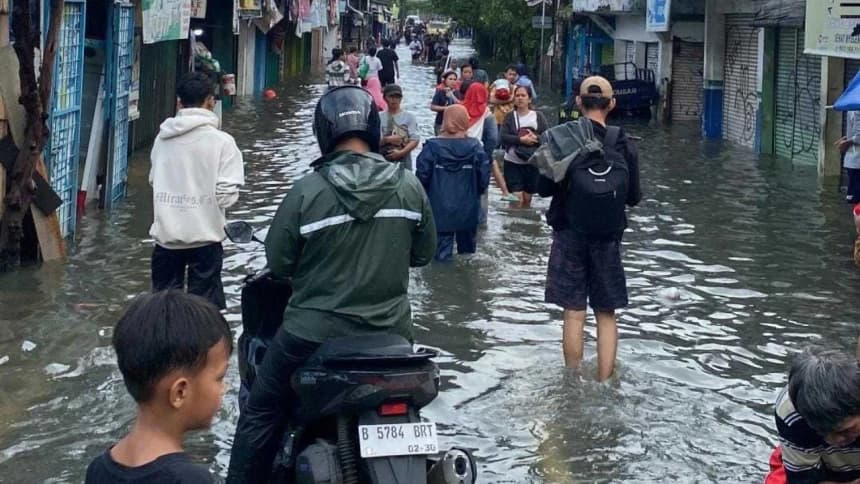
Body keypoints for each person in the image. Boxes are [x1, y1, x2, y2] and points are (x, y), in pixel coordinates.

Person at [226, 86, 436, 483]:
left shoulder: (307, 190)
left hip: (311, 334)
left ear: (323, 132)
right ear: (372, 128)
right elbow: (423, 254)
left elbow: (279, 263)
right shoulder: (409, 187)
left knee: (261, 409)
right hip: (393, 336)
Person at [537, 76, 641, 381]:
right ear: (612, 104)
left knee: (573, 311)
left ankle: (573, 381)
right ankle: (605, 381)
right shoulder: (625, 143)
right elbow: (633, 197)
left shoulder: (562, 138)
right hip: (608, 237)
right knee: (606, 313)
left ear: (578, 102)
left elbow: (543, 188)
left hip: (569, 233)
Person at [85, 291, 232, 484]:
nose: (225, 388)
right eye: (219, 378)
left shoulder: (98, 468)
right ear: (179, 393)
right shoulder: (190, 479)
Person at [149, 71, 245, 310]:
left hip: (166, 242)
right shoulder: (223, 142)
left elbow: (153, 180)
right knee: (203, 313)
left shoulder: (162, 139)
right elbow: (227, 196)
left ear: (179, 103)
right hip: (205, 242)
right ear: (210, 101)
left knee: (163, 311)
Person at [768, 346, 860, 483]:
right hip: (817, 463)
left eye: (845, 430)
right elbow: (803, 480)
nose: (833, 440)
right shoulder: (790, 414)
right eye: (821, 432)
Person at [417, 105, 490, 261]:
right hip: (468, 208)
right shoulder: (476, 147)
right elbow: (484, 179)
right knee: (468, 256)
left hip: (439, 209)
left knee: (441, 257)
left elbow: (422, 177)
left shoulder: (431, 147)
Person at [500, 85, 547, 208]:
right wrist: (520, 140)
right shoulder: (509, 117)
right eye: (517, 95)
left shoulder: (538, 116)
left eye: (523, 95)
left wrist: (535, 138)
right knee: (517, 199)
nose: (520, 98)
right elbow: (503, 137)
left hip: (531, 163)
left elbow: (547, 137)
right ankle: (514, 218)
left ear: (529, 99)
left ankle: (523, 218)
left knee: (527, 199)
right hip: (512, 163)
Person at [379, 84, 420, 170]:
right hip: (382, 160)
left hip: (403, 161)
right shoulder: (379, 117)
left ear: (401, 98)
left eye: (397, 97)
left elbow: (415, 140)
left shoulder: (409, 117)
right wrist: (386, 140)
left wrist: (401, 153)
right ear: (384, 98)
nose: (394, 100)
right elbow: (373, 140)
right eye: (391, 96)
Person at [431, 69, 459, 135]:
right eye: (450, 79)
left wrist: (452, 96)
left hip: (454, 124)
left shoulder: (457, 92)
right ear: (445, 80)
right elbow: (433, 107)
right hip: (441, 123)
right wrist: (446, 108)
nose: (452, 81)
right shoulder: (440, 92)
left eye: (454, 79)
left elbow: (460, 105)